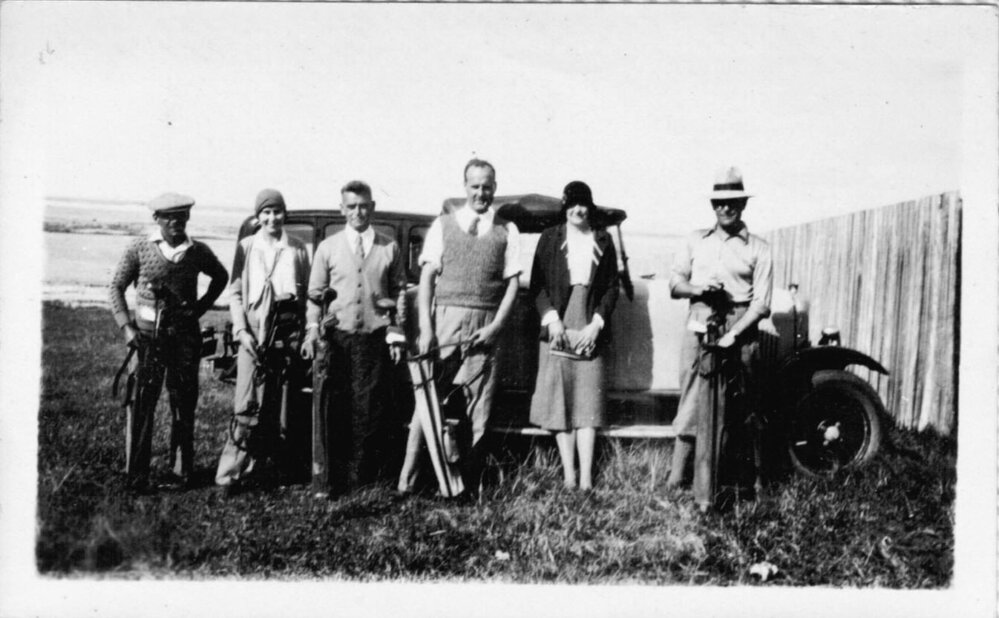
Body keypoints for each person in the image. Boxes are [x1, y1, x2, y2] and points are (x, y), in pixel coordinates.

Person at [396, 158, 521, 496]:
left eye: (487, 186)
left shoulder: (507, 230)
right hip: (445, 318)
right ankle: (408, 479)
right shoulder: (444, 224)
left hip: (485, 322)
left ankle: (460, 483)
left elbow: (512, 284)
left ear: (495, 187)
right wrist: (427, 326)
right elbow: (427, 277)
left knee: (477, 404)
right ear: (465, 186)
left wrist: (496, 326)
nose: (481, 192)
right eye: (475, 186)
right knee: (429, 397)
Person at [667, 166, 773, 511]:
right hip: (700, 320)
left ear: (742, 204)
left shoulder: (759, 247)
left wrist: (734, 335)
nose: (724, 209)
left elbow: (762, 304)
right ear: (712, 205)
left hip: (740, 326)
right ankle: (676, 479)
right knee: (691, 398)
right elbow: (675, 284)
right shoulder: (695, 239)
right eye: (718, 203)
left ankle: (748, 482)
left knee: (743, 406)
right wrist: (698, 288)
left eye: (732, 203)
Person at [109, 192, 228, 493]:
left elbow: (221, 277)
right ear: (157, 219)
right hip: (148, 340)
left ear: (188, 217)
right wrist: (127, 327)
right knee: (142, 406)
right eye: (168, 217)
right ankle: (137, 475)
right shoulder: (139, 248)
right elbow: (116, 287)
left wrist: (199, 308)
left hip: (184, 341)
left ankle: (181, 472)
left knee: (183, 406)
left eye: (181, 216)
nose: (176, 222)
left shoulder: (198, 251)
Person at [303, 180, 407, 497]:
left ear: (372, 207)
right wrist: (312, 329)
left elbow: (399, 291)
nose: (357, 212)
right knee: (335, 410)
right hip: (337, 339)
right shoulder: (328, 248)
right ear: (342, 209)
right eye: (351, 207)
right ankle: (332, 481)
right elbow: (313, 295)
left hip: (373, 341)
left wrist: (396, 332)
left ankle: (363, 482)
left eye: (363, 206)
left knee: (370, 410)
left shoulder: (389, 247)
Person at [214, 189, 311, 495]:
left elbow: (306, 295)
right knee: (246, 405)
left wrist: (304, 332)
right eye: (266, 213)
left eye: (277, 212)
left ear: (285, 214)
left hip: (287, 333)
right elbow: (236, 293)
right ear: (258, 217)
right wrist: (242, 331)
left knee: (281, 407)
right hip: (254, 332)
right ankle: (229, 475)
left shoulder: (297, 249)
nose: (272, 218)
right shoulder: (247, 247)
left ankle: (271, 470)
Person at [528, 181, 619, 491]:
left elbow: (611, 288)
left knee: (587, 402)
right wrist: (552, 321)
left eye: (584, 204)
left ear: (590, 207)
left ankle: (586, 479)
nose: (578, 210)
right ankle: (568, 475)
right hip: (558, 324)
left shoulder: (603, 240)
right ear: (565, 207)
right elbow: (537, 285)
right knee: (561, 400)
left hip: (589, 323)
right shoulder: (550, 238)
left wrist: (597, 324)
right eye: (573, 204)